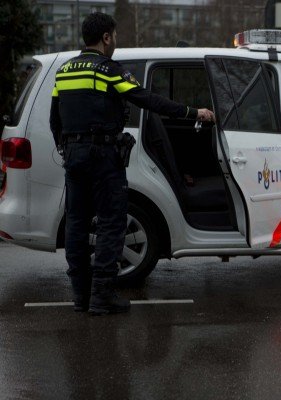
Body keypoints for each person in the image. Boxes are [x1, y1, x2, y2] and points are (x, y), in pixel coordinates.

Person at [49, 12, 215, 315]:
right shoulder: (108, 70)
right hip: (103, 157)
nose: (115, 41)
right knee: (111, 223)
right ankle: (101, 297)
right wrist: (193, 113)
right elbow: (147, 100)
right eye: (114, 36)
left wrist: (68, 147)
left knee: (76, 224)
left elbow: (54, 119)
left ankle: (80, 296)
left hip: (74, 157)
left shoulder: (64, 71)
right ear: (106, 38)